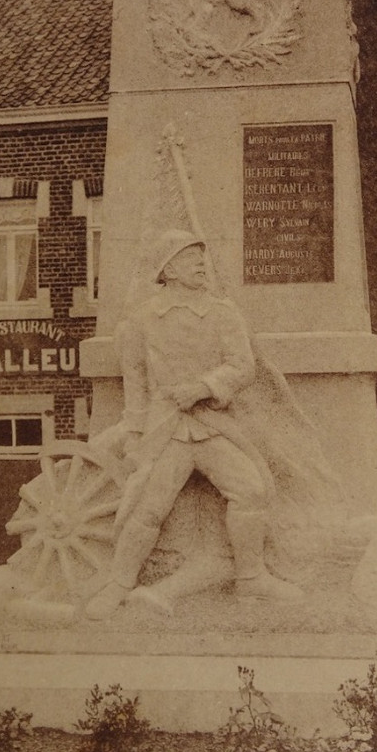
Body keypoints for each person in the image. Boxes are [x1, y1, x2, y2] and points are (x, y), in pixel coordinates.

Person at [86, 229, 302, 619]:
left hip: (211, 425)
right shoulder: (141, 321)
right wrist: (135, 435)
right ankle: (118, 584)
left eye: (201, 256)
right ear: (168, 269)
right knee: (148, 509)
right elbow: (134, 384)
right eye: (190, 258)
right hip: (164, 429)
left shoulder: (223, 313)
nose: (202, 264)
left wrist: (204, 386)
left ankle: (251, 578)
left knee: (251, 490)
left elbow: (242, 366)